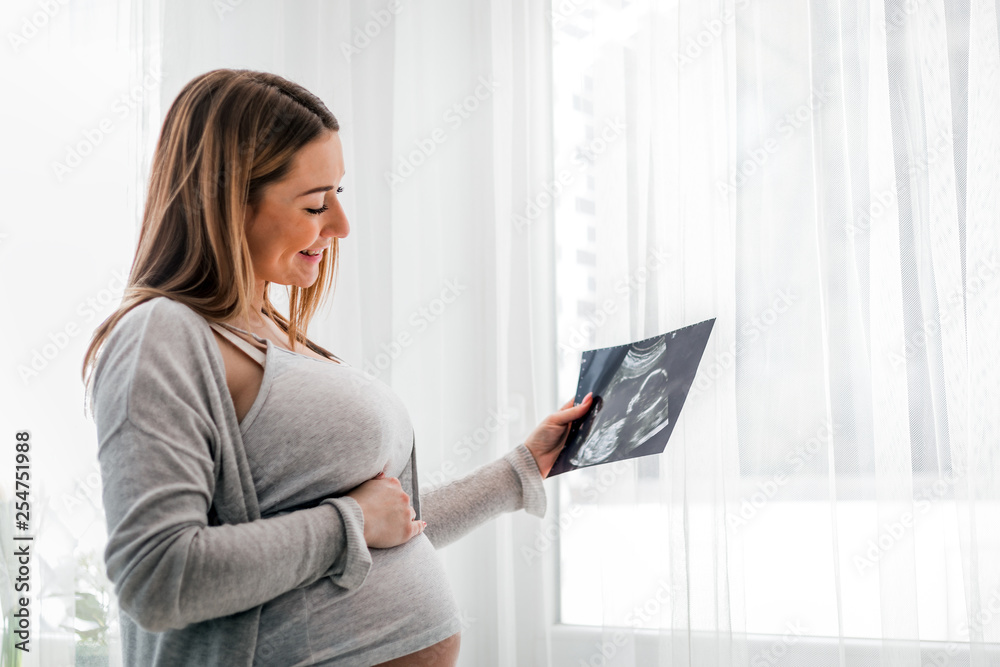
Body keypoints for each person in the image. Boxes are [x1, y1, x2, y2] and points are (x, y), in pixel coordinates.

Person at [80, 68, 593, 666]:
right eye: (316, 203)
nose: (341, 226)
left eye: (338, 196)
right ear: (225, 201)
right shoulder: (160, 334)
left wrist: (523, 468)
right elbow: (159, 580)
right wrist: (349, 521)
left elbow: (390, 525)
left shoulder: (270, 331)